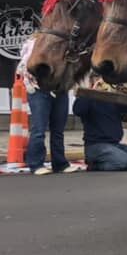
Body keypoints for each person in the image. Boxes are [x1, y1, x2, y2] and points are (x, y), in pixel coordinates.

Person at [17, 37, 78, 175]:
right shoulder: (35, 43)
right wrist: (30, 85)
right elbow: (25, 65)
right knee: (39, 128)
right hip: (39, 89)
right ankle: (35, 164)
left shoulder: (66, 44)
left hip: (59, 90)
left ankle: (60, 163)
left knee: (58, 130)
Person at [72, 84, 127, 171]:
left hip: (115, 144)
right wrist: (91, 92)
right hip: (95, 146)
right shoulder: (89, 99)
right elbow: (78, 110)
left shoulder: (112, 99)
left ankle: (116, 161)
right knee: (124, 162)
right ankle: (94, 166)